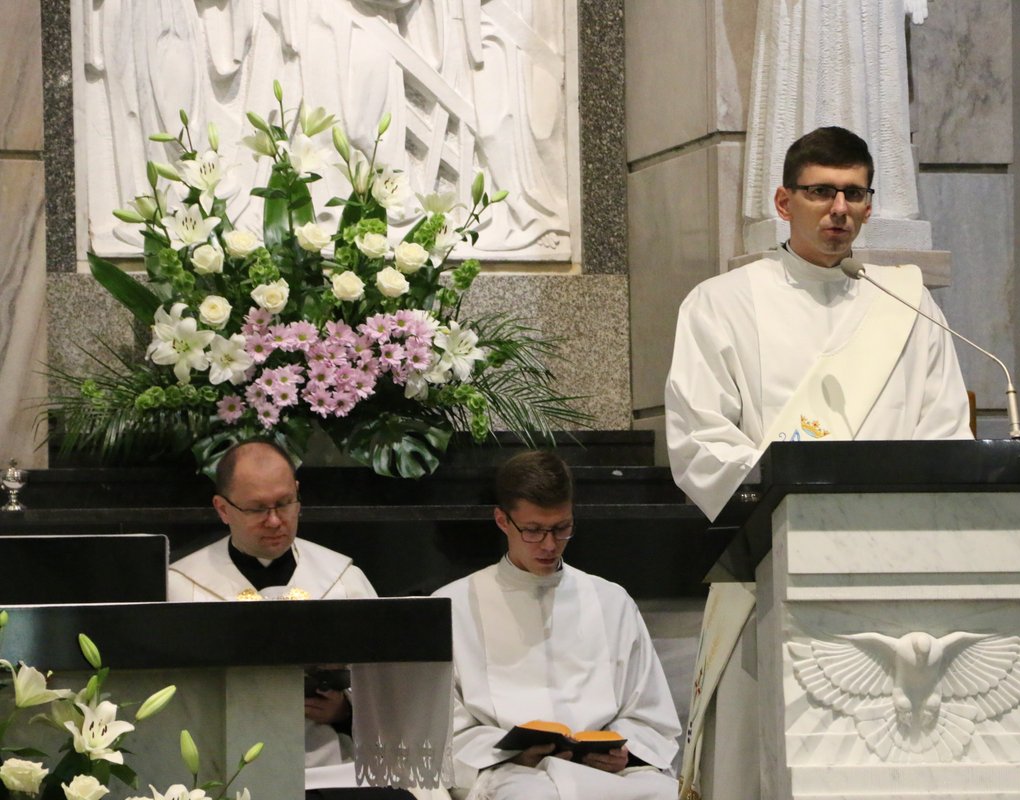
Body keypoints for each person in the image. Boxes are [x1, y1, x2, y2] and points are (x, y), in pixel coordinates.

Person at [663, 126, 972, 797]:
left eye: (854, 194)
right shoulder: (722, 302)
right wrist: (789, 504)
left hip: (892, 577)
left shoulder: (907, 305)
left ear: (869, 205)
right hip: (772, 570)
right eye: (821, 192)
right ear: (784, 201)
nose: (839, 210)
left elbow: (945, 431)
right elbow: (700, 439)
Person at [432, 451, 680, 800]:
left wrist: (624, 751)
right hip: (510, 773)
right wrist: (510, 753)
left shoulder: (610, 600)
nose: (550, 545)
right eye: (533, 530)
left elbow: (648, 712)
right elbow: (443, 726)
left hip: (609, 775)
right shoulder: (453, 605)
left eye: (562, 528)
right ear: (502, 520)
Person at [167, 440, 378, 770]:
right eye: (257, 509)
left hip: (327, 767)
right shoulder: (181, 588)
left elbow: (385, 688)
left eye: (284, 503)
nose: (275, 521)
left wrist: (345, 710)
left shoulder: (343, 581)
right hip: (216, 770)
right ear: (223, 509)